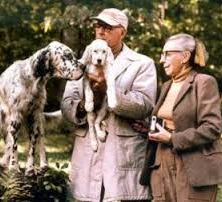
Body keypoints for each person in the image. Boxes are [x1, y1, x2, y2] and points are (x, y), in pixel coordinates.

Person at [61, 8, 157, 202]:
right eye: (98, 26)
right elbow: (66, 106)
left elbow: (144, 105)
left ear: (123, 31)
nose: (101, 32)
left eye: (108, 27)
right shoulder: (80, 64)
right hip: (90, 150)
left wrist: (107, 89)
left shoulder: (141, 63)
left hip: (123, 152)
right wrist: (86, 104)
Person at [133, 33, 222, 202]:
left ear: (185, 56)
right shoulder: (167, 85)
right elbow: (172, 120)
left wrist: (172, 138)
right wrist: (150, 129)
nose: (162, 60)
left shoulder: (204, 82)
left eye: (167, 54)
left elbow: (212, 128)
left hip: (194, 165)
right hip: (161, 163)